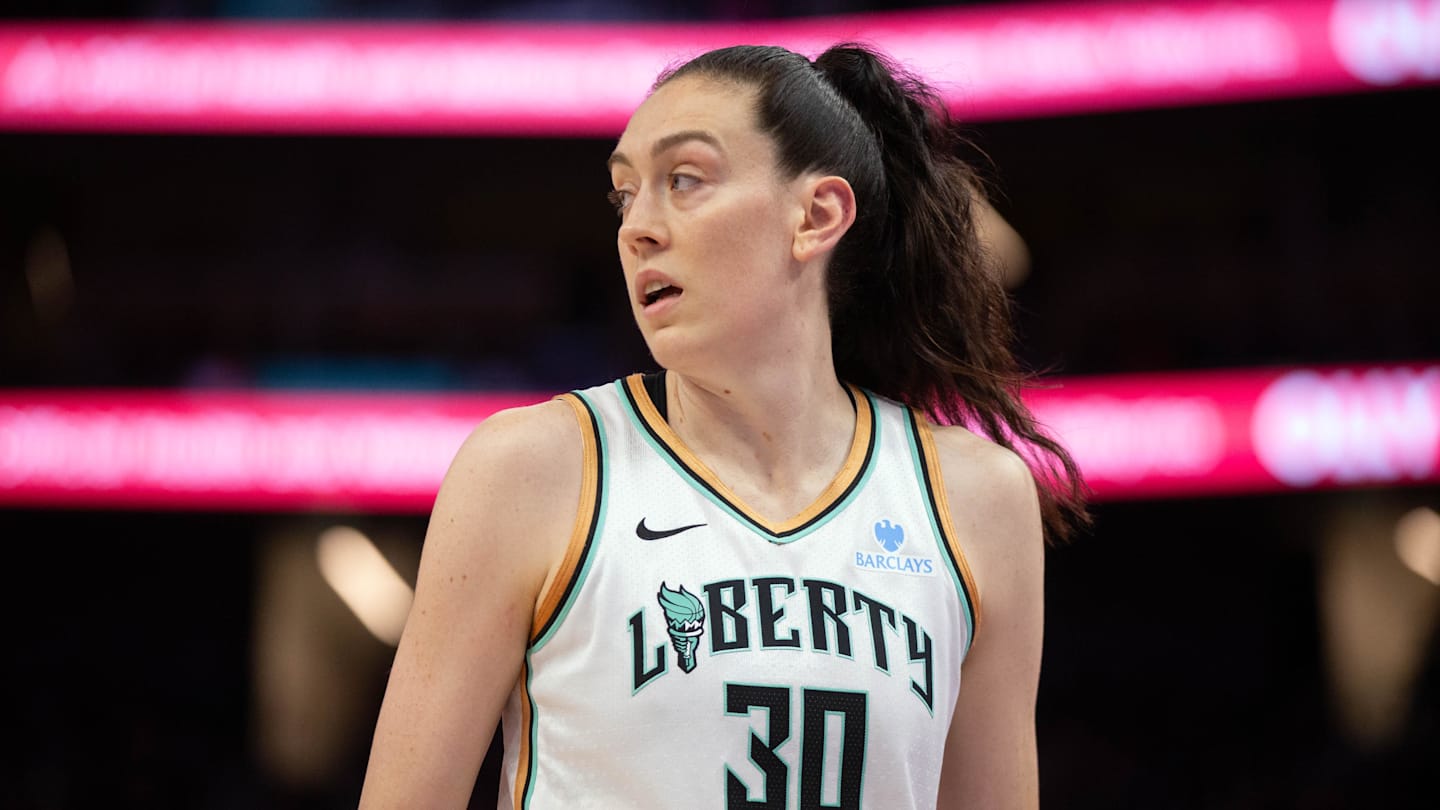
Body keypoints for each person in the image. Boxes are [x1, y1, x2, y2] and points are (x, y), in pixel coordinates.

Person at [358, 42, 1087, 809]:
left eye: (684, 180)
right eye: (625, 194)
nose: (637, 227)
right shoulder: (531, 469)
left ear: (817, 216)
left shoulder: (975, 497)